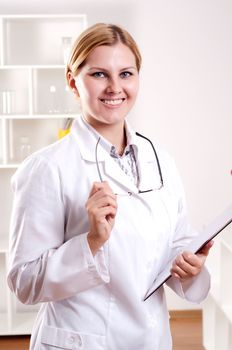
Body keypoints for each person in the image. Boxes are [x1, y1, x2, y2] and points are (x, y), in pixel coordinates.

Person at [7, 23, 213, 350]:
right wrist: (90, 242)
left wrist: (189, 267)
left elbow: (173, 243)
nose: (115, 87)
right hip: (81, 342)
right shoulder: (47, 168)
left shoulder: (160, 159)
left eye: (126, 74)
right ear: (73, 81)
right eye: (99, 74)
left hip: (151, 338)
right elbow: (24, 282)